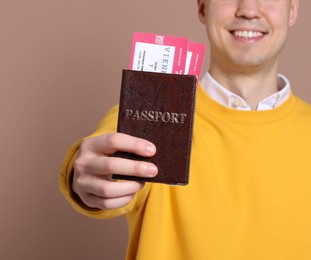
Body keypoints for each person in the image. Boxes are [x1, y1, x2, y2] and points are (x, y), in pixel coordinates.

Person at [60, 0, 311, 259]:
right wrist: (85, 176)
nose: (248, 9)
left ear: (292, 10)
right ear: (203, 8)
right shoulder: (152, 115)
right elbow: (101, 156)